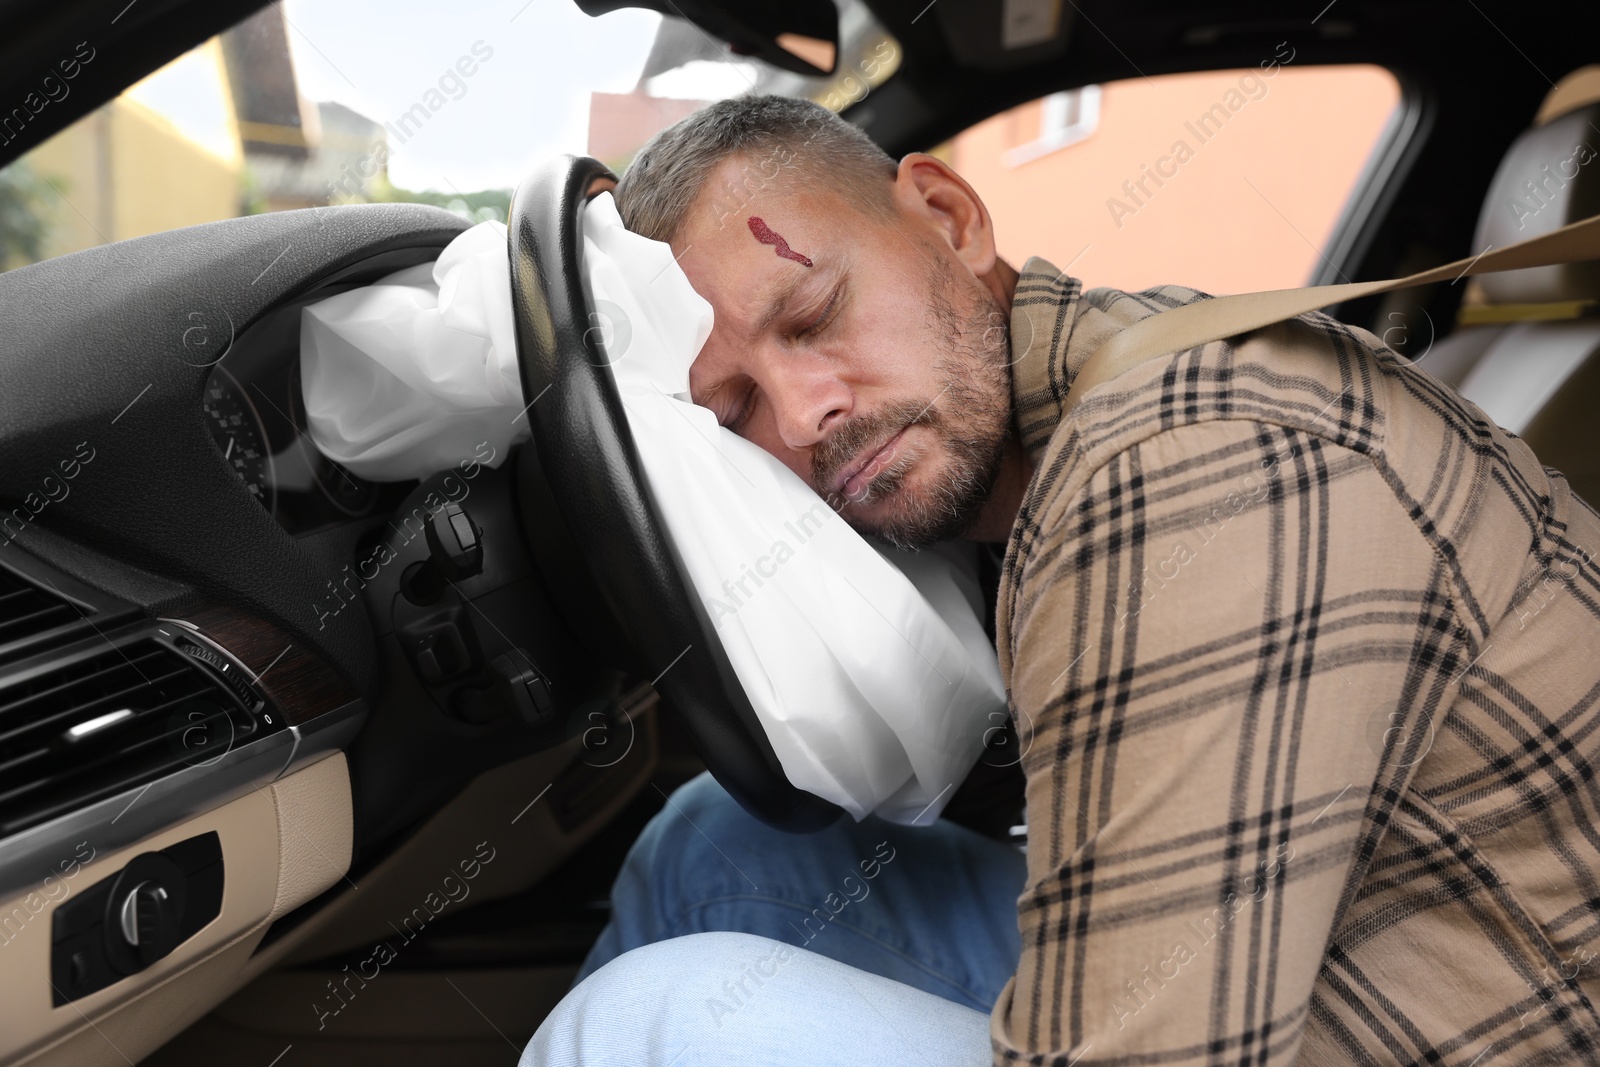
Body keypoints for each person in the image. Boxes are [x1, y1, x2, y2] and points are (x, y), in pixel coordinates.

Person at [521, 94, 1600, 1065]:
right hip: (1329, 931)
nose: (803, 417)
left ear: (948, 215)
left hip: (1435, 1018)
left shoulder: (1181, 475)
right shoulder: (1056, 400)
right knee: (712, 846)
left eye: (812, 316)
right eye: (735, 412)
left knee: (638, 1025)